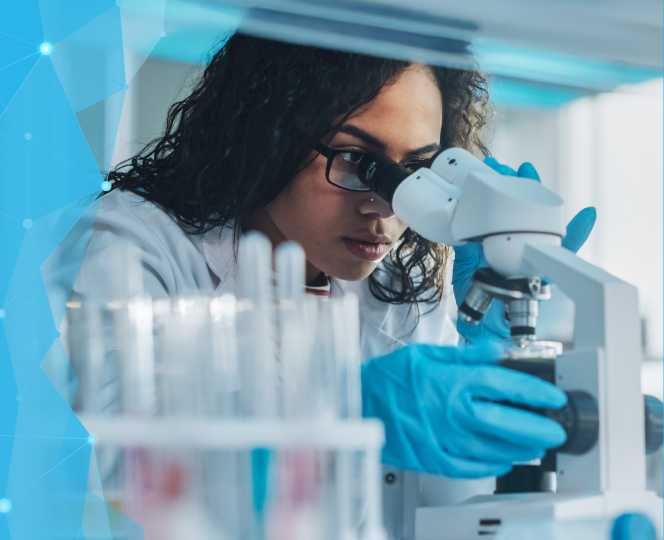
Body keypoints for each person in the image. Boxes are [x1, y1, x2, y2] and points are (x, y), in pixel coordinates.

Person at [52, 33, 596, 538]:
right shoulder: (133, 245)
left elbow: (445, 509)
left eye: (417, 172)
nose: (382, 204)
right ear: (264, 133)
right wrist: (348, 411)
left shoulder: (401, 292)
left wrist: (484, 348)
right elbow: (108, 482)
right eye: (358, 159)